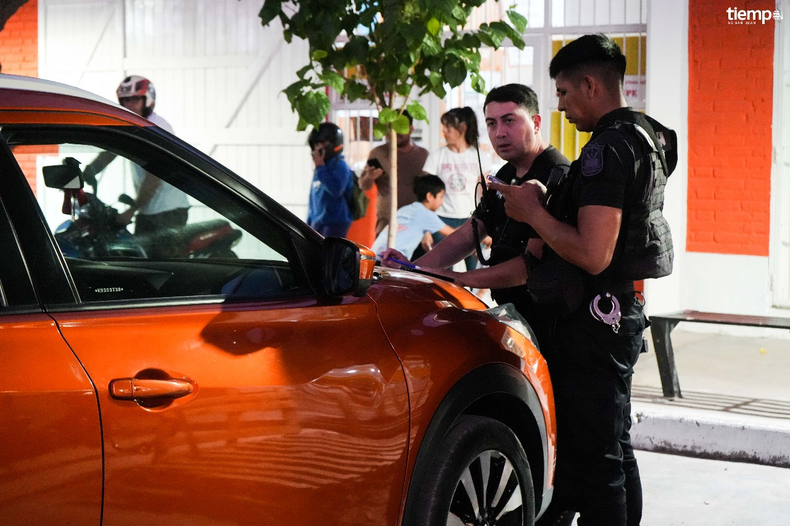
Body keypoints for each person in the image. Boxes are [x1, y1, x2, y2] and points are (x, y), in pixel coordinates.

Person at [489, 34, 677, 526]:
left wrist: (533, 212)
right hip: (618, 313)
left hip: (596, 322)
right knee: (613, 449)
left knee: (597, 464)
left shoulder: (606, 150)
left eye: (564, 93)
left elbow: (594, 254)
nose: (561, 106)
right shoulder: (648, 135)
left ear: (590, 85)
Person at [382, 84, 570, 349]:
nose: (499, 132)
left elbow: (529, 265)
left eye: (509, 120)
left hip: (552, 322)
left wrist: (458, 278)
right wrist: (414, 270)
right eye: (491, 124)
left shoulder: (558, 174)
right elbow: (470, 233)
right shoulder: (505, 174)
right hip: (515, 315)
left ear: (536, 122)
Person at [83, 75, 190, 235]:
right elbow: (111, 152)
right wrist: (87, 172)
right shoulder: (134, 126)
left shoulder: (156, 128)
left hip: (168, 211)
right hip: (149, 209)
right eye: (125, 100)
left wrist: (131, 210)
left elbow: (154, 178)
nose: (129, 105)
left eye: (135, 100)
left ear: (147, 100)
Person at [419, 107, 492, 270]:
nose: (444, 131)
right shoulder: (436, 157)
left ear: (463, 128)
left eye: (448, 126)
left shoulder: (479, 156)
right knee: (441, 271)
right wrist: (426, 230)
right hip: (441, 220)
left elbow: (485, 195)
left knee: (474, 271)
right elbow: (424, 196)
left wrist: (488, 228)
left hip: (471, 220)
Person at [358, 110, 429, 235]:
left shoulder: (423, 155)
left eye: (400, 128)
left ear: (411, 129)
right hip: (386, 224)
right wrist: (370, 177)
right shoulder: (378, 153)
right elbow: (363, 185)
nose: (396, 133)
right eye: (392, 128)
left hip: (415, 223)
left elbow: (430, 191)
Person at [371, 175, 454, 260]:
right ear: (429, 196)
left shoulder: (405, 209)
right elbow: (453, 233)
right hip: (392, 258)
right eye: (441, 197)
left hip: (375, 254)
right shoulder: (426, 214)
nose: (442, 201)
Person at [306, 122, 354, 237]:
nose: (318, 148)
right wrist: (309, 222)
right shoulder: (320, 167)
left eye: (322, 144)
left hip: (335, 223)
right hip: (317, 222)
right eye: (316, 144)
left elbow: (336, 190)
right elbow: (314, 197)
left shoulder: (340, 165)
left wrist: (320, 167)